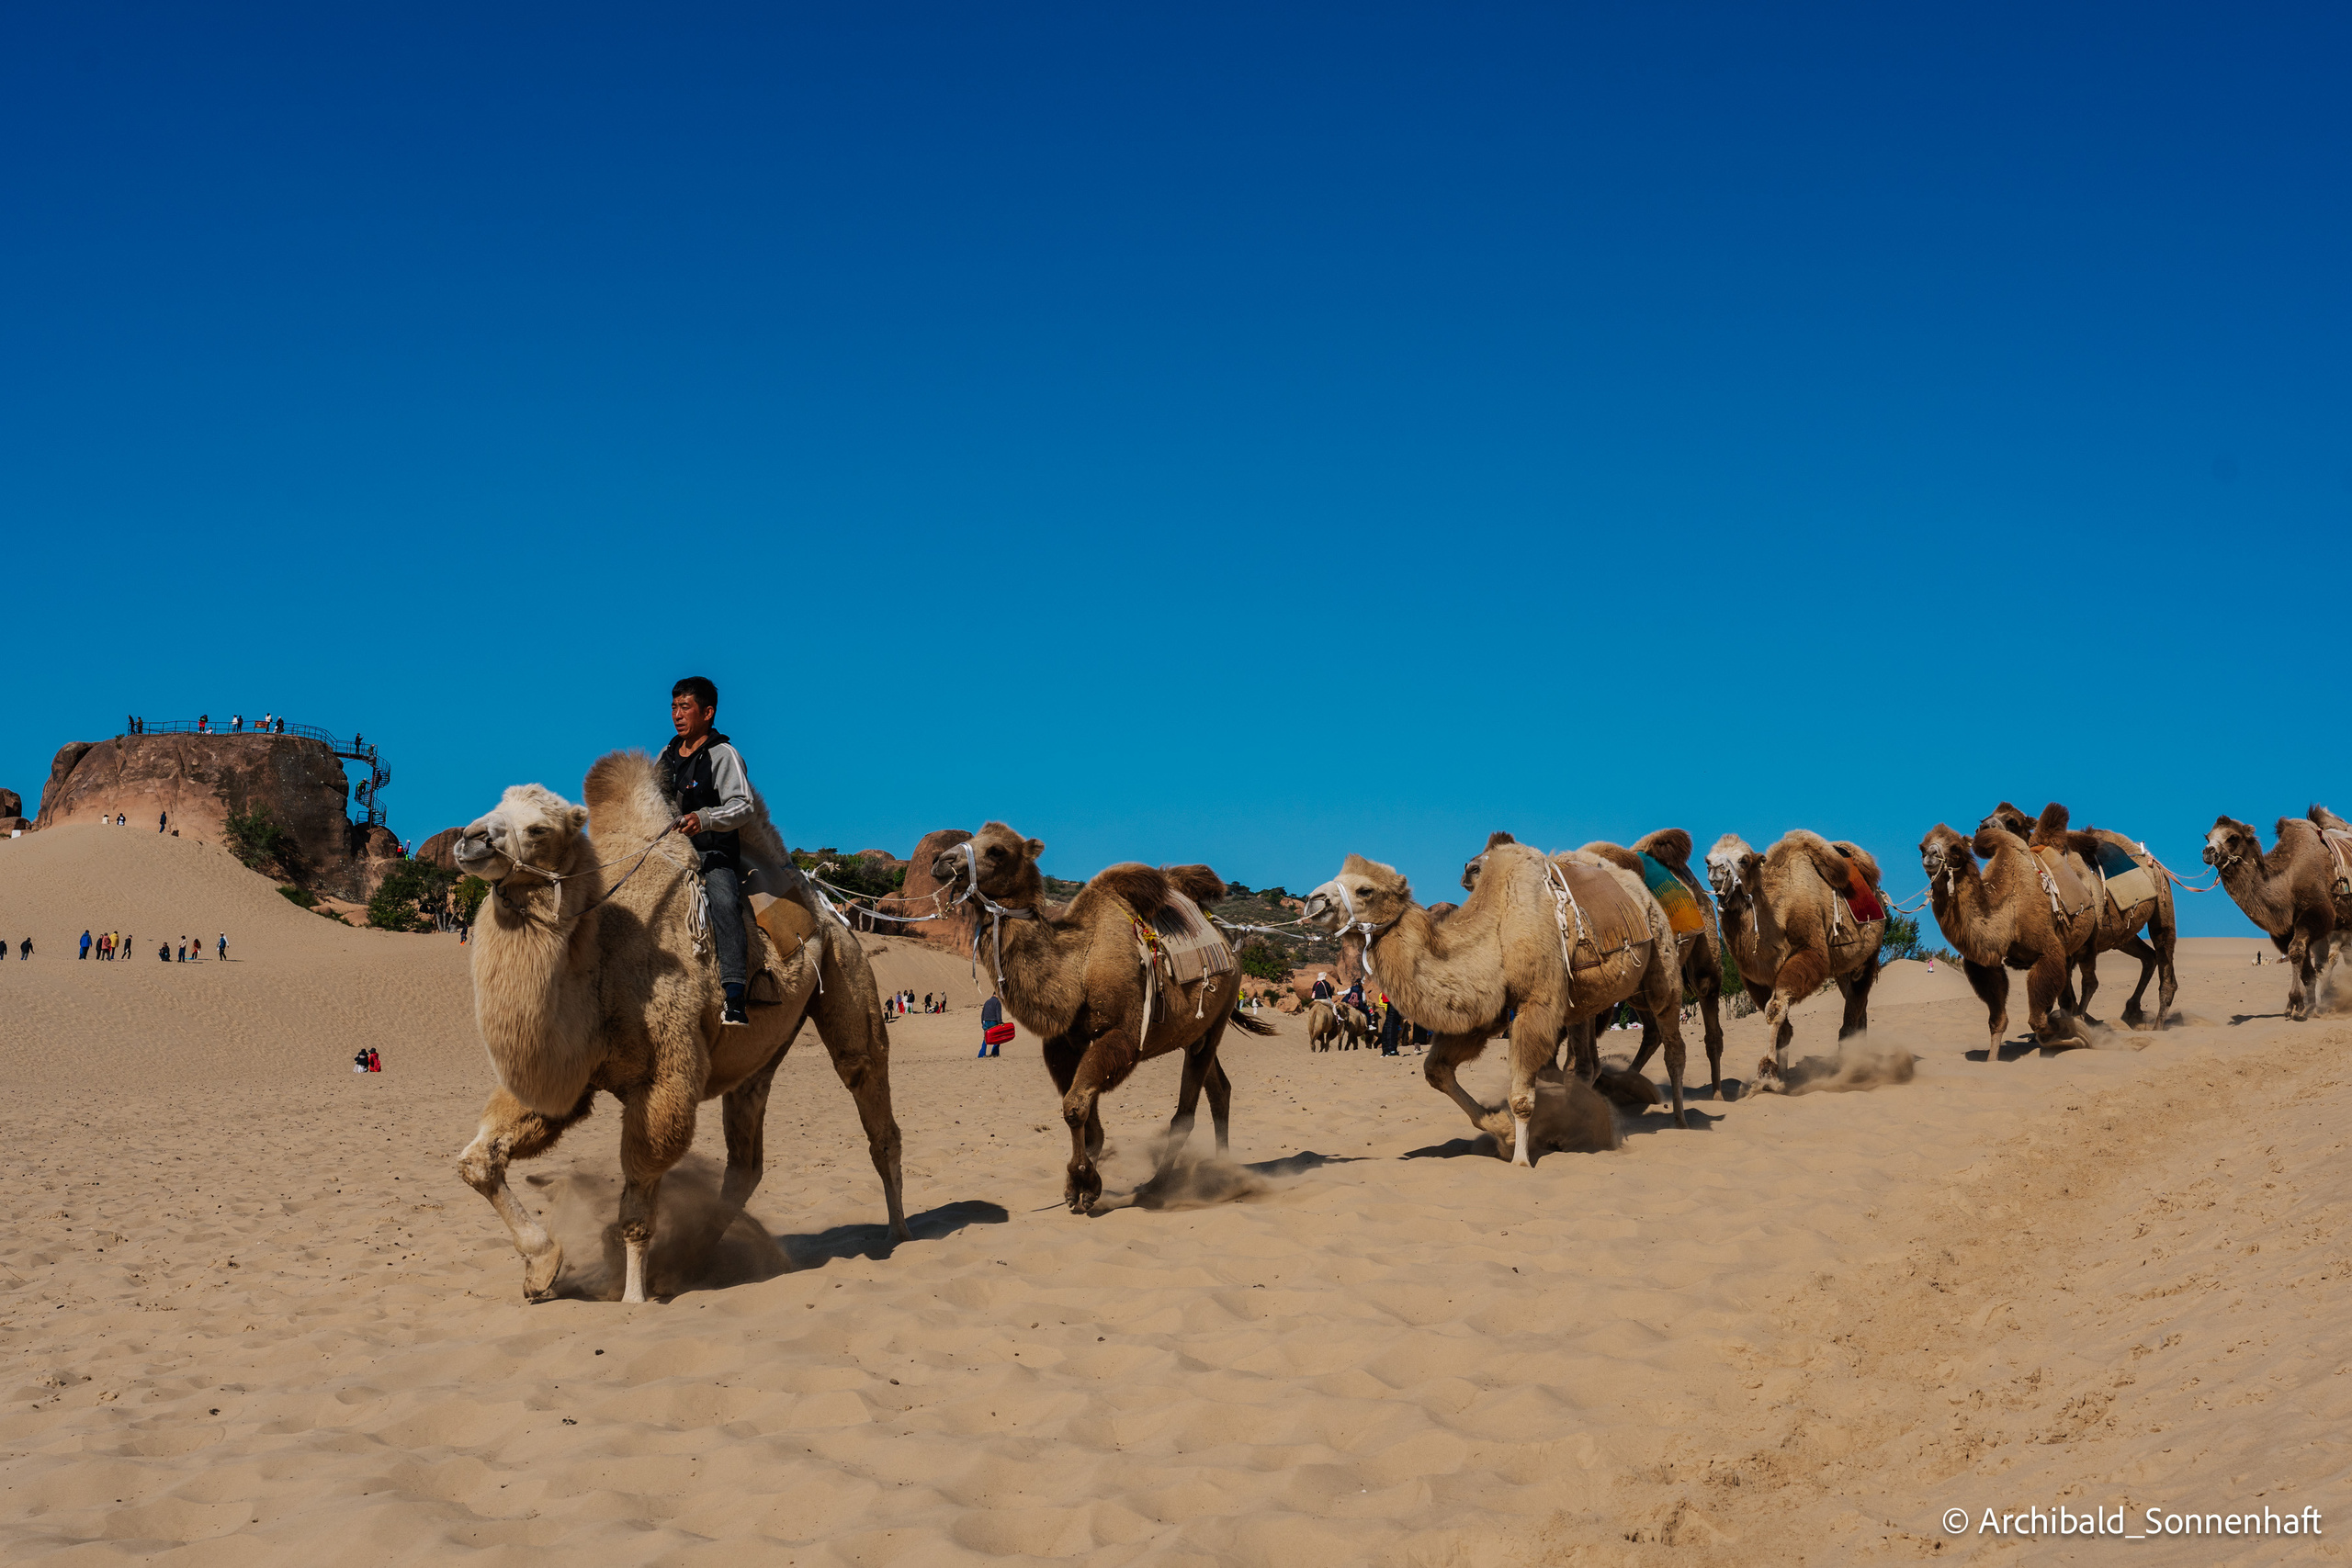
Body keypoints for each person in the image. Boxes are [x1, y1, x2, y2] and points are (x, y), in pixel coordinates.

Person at [656, 676, 758, 1027]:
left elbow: (743, 805)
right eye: (673, 707)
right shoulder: (666, 756)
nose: (677, 715)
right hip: (670, 852)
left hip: (713, 854)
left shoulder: (723, 754)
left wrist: (704, 818)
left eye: (685, 707)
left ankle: (734, 995)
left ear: (708, 712)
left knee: (725, 902)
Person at [978, 993, 1008, 1058]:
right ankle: (995, 1053)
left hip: (985, 1022)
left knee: (986, 1038)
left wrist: (982, 1023)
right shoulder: (997, 1002)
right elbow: (998, 1013)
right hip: (993, 1022)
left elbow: (982, 1014)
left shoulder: (987, 1002)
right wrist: (1000, 1022)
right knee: (997, 1038)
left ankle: (981, 1054)